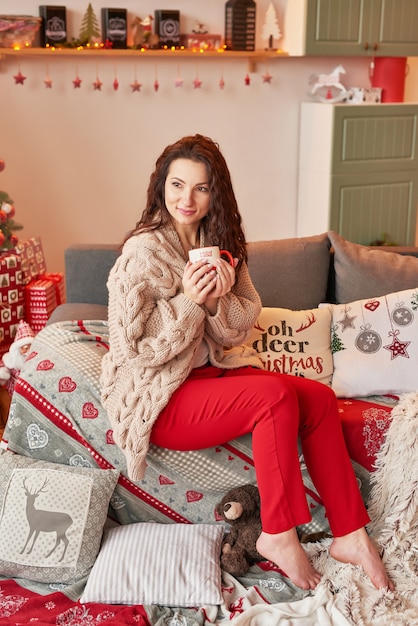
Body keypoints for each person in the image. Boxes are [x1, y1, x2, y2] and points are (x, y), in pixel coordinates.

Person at [100, 134, 393, 592]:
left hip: (212, 377)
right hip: (162, 398)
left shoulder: (221, 243)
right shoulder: (141, 255)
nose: (187, 199)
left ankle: (350, 534)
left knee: (316, 397)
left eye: (200, 188)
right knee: (273, 396)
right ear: (161, 187)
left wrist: (218, 300)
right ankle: (278, 533)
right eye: (177, 185)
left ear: (216, 193)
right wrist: (192, 303)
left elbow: (240, 324)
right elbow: (138, 348)